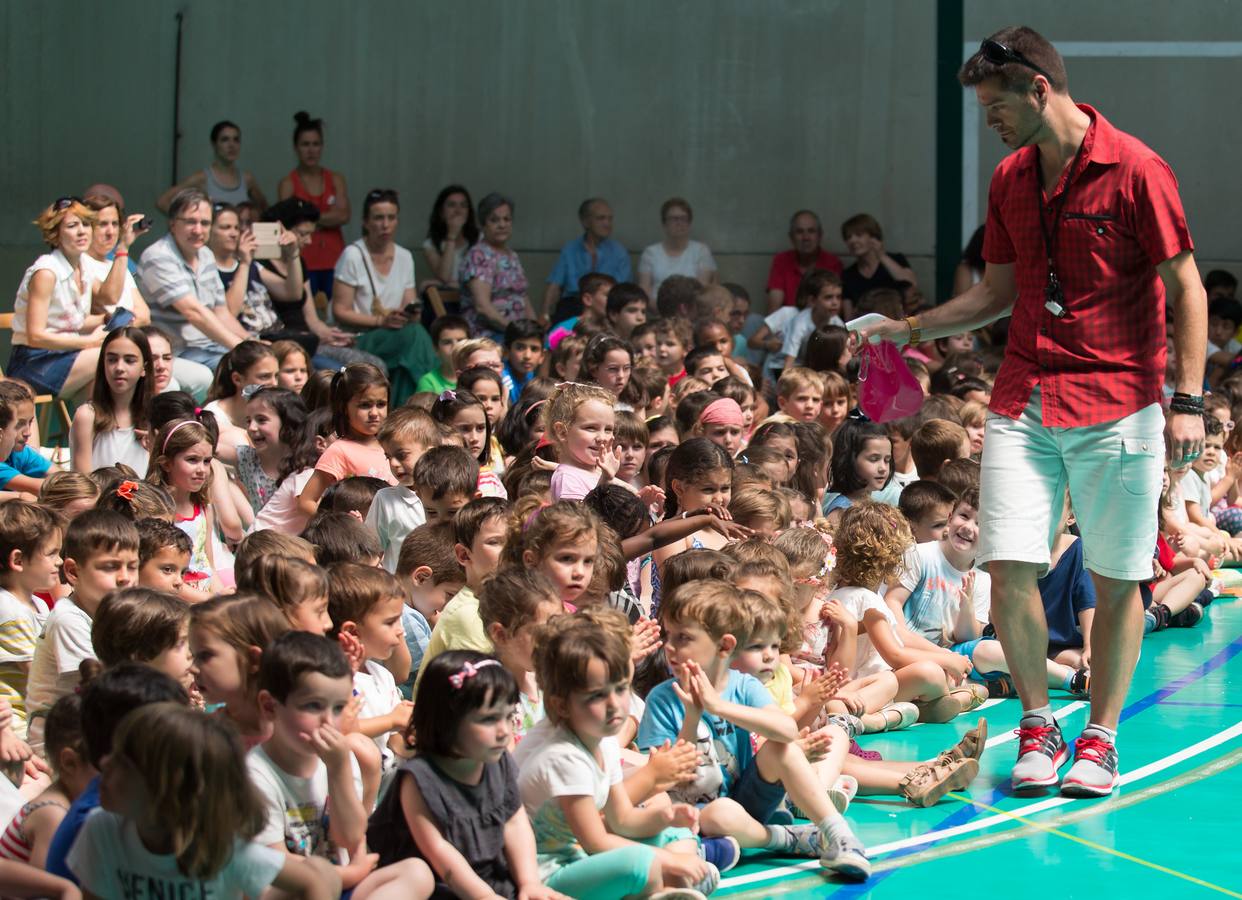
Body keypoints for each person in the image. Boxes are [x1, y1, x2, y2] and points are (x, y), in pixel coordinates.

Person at [856, 25, 1207, 797]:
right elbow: (995, 294)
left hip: (1120, 402)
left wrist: (1187, 401)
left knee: (1118, 579)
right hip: (1025, 395)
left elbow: (1187, 288)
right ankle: (1042, 722)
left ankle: (1103, 738)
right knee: (1009, 564)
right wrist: (908, 328)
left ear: (1038, 89)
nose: (992, 125)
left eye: (995, 109)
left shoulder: (1139, 170)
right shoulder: (1013, 179)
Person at [67, 702, 335, 899]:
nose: (103, 762)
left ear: (164, 788)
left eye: (122, 762)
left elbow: (314, 883)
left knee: (322, 870)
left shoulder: (222, 851)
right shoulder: (102, 829)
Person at [250, 632, 433, 897]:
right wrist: (348, 874)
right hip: (291, 888)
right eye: (313, 706)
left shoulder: (336, 758)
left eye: (338, 708)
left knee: (417, 872)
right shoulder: (256, 775)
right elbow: (275, 865)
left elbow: (349, 838)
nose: (328, 722)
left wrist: (339, 771)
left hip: (339, 883)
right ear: (269, 706)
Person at [9, 198, 112, 398]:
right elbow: (35, 335)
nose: (82, 231)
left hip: (66, 356)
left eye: (86, 224)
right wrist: (88, 342)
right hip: (34, 363)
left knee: (99, 386)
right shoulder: (46, 272)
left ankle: (97, 429)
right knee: (114, 356)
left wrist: (105, 320)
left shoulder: (83, 265)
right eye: (73, 225)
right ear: (55, 234)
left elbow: (69, 321)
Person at [139, 189, 248, 372]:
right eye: (190, 222)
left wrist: (250, 342)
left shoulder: (206, 255)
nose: (198, 230)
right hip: (175, 352)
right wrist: (241, 349)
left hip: (209, 347)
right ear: (172, 224)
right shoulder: (158, 256)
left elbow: (221, 311)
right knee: (244, 369)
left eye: (205, 223)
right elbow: (193, 312)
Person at [277, 111, 350, 299]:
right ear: (296, 147)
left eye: (316, 144)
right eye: (305, 144)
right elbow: (286, 224)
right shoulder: (288, 183)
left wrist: (307, 218)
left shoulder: (335, 179)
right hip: (303, 260)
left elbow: (344, 215)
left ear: (322, 147)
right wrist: (326, 218)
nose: (311, 150)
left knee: (335, 315)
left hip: (335, 260)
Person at [68, 326, 154, 476]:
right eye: (112, 360)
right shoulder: (87, 416)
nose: (119, 367)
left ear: (144, 368)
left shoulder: (155, 417)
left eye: (129, 360)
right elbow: (83, 484)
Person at [542, 198, 632, 325]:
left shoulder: (619, 252)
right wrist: (545, 316)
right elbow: (554, 286)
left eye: (610, 218)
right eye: (601, 218)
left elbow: (622, 291)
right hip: (572, 306)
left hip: (607, 307)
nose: (607, 223)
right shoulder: (570, 249)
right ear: (585, 222)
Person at [459, 193, 531, 341]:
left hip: (517, 335)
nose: (502, 225)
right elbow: (482, 307)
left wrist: (535, 329)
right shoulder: (478, 255)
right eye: (494, 220)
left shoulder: (512, 255)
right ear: (482, 224)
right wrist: (517, 332)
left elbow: (522, 297)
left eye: (507, 219)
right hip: (487, 334)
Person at [157, 120, 268, 212]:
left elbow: (264, 207)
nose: (231, 145)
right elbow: (163, 202)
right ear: (214, 144)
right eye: (225, 140)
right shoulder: (202, 177)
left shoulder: (247, 178)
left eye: (236, 140)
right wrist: (188, 221)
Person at [764, 211, 844, 314]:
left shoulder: (833, 263)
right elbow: (773, 309)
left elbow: (835, 307)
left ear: (820, 235)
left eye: (811, 231)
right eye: (799, 232)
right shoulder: (781, 260)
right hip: (789, 323)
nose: (806, 237)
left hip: (822, 323)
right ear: (791, 237)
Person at [638, 198, 717, 299]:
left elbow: (703, 290)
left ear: (689, 223)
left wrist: (684, 313)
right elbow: (644, 290)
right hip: (656, 312)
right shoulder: (650, 253)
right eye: (674, 219)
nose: (679, 223)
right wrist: (662, 311)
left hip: (692, 311)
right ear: (664, 224)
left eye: (683, 218)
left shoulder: (701, 251)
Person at [839, 214, 918, 304]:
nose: (852, 241)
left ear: (873, 237)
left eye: (859, 235)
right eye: (848, 237)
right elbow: (848, 313)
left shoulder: (896, 259)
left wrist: (881, 255)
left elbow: (911, 283)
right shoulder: (848, 274)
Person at [421, 185, 478, 290]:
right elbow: (444, 277)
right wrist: (451, 236)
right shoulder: (431, 244)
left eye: (463, 205)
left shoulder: (480, 240)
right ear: (441, 212)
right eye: (452, 205)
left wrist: (459, 285)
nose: (458, 210)